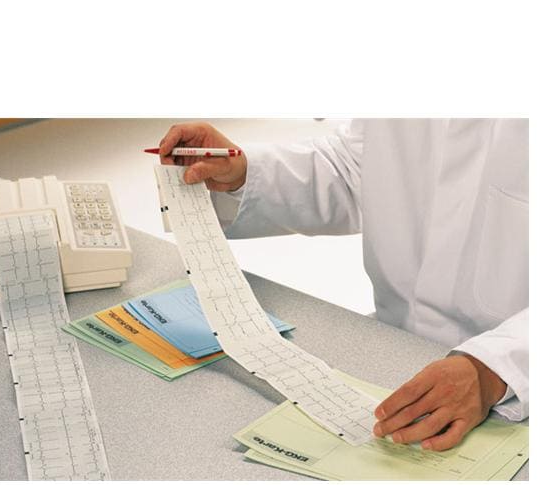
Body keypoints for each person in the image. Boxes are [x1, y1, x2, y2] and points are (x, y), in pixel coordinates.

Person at [159, 119, 528, 451]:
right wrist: (243, 174)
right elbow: (354, 171)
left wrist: (493, 368)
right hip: (391, 350)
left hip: (517, 390)